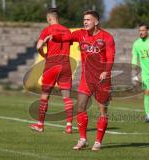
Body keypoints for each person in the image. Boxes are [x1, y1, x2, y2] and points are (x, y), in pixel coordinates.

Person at [50, 10, 115, 150]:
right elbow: (65, 37)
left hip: (103, 79)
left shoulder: (107, 37)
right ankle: (83, 139)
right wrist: (53, 36)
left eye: (88, 19)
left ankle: (98, 142)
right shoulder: (80, 34)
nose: (85, 22)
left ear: (96, 22)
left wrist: (106, 71)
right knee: (80, 107)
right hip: (86, 78)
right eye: (84, 19)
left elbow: (110, 57)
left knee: (102, 111)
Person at [29, 8, 74, 134]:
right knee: (67, 97)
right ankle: (69, 126)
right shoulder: (67, 30)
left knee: (45, 96)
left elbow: (38, 46)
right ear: (57, 17)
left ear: (49, 18)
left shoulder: (47, 30)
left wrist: (43, 54)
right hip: (65, 65)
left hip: (52, 65)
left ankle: (40, 125)